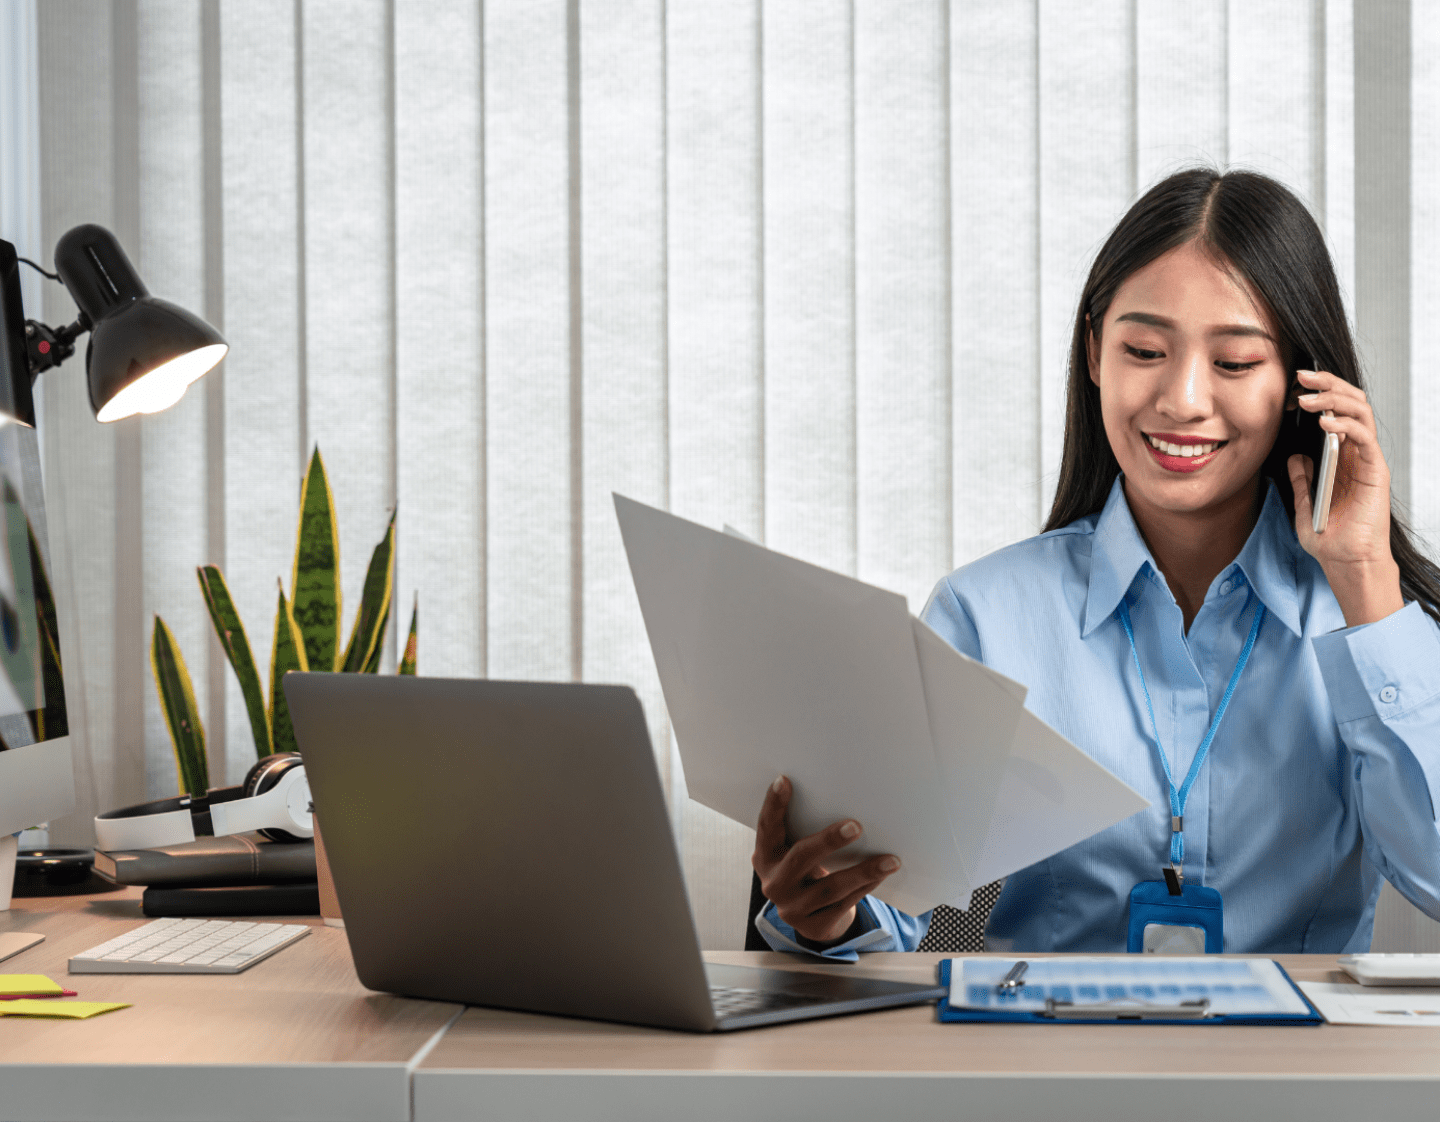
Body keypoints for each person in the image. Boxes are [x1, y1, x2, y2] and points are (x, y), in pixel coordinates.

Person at [752, 167, 1440, 958]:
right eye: (1145, 349)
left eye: (1236, 363)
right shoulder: (986, 615)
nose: (1182, 399)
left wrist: (1366, 576)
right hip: (1051, 1067)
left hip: (1301, 1073)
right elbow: (887, 913)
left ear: (1299, 385)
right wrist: (825, 915)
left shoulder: (1367, 623)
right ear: (1093, 353)